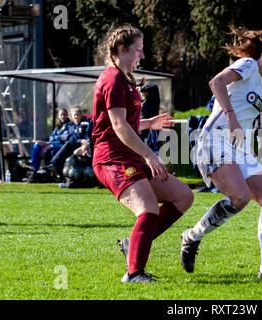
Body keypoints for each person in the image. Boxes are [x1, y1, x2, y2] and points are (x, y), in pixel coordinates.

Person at [180, 27, 262, 278]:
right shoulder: (248, 65)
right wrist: (230, 116)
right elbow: (216, 82)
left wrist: (250, 150)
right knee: (240, 198)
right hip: (214, 141)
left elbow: (247, 122)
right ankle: (191, 237)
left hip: (237, 148)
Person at [92, 24, 194, 283]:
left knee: (183, 196)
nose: (142, 55)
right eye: (138, 50)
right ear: (121, 50)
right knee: (148, 210)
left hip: (129, 156)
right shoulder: (112, 78)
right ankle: (134, 273)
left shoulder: (125, 80)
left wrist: (148, 123)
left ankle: (133, 244)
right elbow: (117, 126)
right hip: (112, 159)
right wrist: (150, 155)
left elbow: (122, 123)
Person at [44, 106, 92, 178]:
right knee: (53, 151)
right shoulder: (72, 127)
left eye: (77, 114)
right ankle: (59, 175)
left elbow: (88, 137)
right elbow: (71, 138)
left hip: (86, 146)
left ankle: (54, 164)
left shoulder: (85, 124)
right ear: (72, 117)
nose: (76, 116)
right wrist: (80, 140)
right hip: (76, 145)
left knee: (68, 145)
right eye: (74, 115)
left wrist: (84, 143)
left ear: (81, 115)